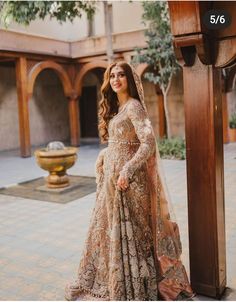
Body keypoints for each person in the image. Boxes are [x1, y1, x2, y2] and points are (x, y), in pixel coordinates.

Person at [65, 61, 193, 301]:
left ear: (129, 80)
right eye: (112, 75)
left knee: (131, 234)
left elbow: (148, 142)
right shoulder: (120, 107)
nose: (115, 79)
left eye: (121, 75)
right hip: (112, 181)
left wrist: (127, 170)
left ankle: (135, 286)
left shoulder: (133, 106)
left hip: (129, 183)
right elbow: (122, 142)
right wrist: (104, 155)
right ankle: (116, 280)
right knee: (108, 230)